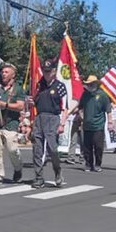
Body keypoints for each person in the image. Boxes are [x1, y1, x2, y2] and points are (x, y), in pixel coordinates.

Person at [32, 58, 67, 189]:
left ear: (54, 71)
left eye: (48, 71)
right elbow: (34, 100)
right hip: (39, 117)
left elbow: (65, 107)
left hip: (53, 118)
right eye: (44, 71)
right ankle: (38, 177)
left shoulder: (60, 86)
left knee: (52, 149)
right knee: (37, 149)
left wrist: (62, 124)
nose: (46, 74)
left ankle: (57, 171)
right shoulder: (39, 85)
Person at [72, 74, 108, 169]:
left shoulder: (102, 95)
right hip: (87, 125)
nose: (90, 86)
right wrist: (81, 115)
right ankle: (88, 164)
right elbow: (80, 107)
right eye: (88, 84)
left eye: (91, 84)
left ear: (96, 84)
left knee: (98, 146)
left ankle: (97, 164)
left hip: (98, 125)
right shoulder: (85, 95)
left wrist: (111, 122)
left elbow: (108, 110)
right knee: (87, 146)